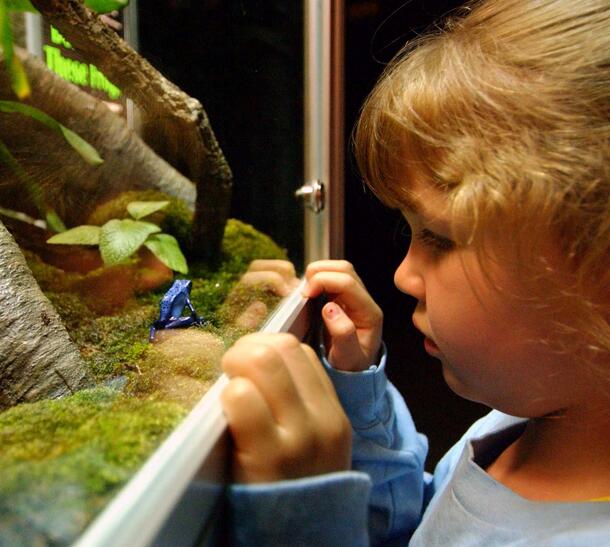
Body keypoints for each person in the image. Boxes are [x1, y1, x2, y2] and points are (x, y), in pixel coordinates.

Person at [219, 0, 610, 544]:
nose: (403, 275)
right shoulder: (518, 424)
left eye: (439, 238)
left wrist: (303, 519)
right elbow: (423, 523)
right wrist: (358, 394)